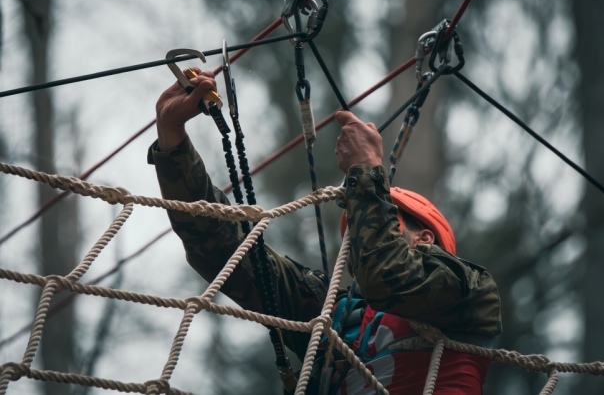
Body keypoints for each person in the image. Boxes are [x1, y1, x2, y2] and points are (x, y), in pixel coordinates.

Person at [148, 68, 502, 395]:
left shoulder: (469, 293)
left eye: (379, 224)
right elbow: (225, 250)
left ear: (425, 237)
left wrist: (365, 170)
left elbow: (388, 277)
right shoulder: (336, 319)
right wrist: (172, 142)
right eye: (354, 238)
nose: (357, 244)